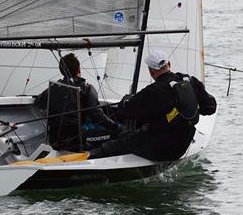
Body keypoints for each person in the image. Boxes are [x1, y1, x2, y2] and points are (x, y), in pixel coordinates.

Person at [88, 49, 216, 161]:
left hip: (161, 149)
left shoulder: (154, 90)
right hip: (183, 144)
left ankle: (88, 157)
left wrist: (127, 99)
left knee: (119, 144)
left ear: (151, 71)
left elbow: (125, 111)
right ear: (169, 64)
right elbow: (211, 108)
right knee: (129, 134)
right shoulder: (190, 81)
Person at [35, 53, 120, 151]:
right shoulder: (87, 88)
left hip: (54, 140)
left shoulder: (53, 87)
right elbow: (96, 115)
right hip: (76, 141)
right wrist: (116, 126)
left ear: (61, 71)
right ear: (79, 69)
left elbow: (39, 102)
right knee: (115, 134)